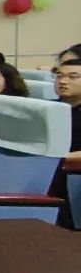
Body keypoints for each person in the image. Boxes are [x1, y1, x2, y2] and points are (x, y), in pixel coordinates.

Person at [50, 59, 81, 228]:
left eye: (72, 76)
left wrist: (55, 158)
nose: (63, 81)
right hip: (50, 172)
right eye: (59, 76)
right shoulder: (47, 108)